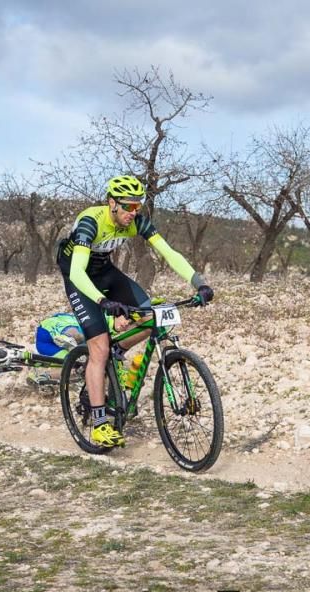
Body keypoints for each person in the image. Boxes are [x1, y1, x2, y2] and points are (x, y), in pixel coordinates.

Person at [57, 175, 214, 448]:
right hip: (78, 277)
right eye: (128, 206)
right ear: (112, 203)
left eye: (137, 207)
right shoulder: (90, 222)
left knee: (149, 316)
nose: (133, 212)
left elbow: (169, 253)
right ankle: (99, 424)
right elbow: (77, 271)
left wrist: (198, 283)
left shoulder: (136, 222)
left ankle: (119, 350)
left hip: (105, 271)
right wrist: (101, 301)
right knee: (100, 347)